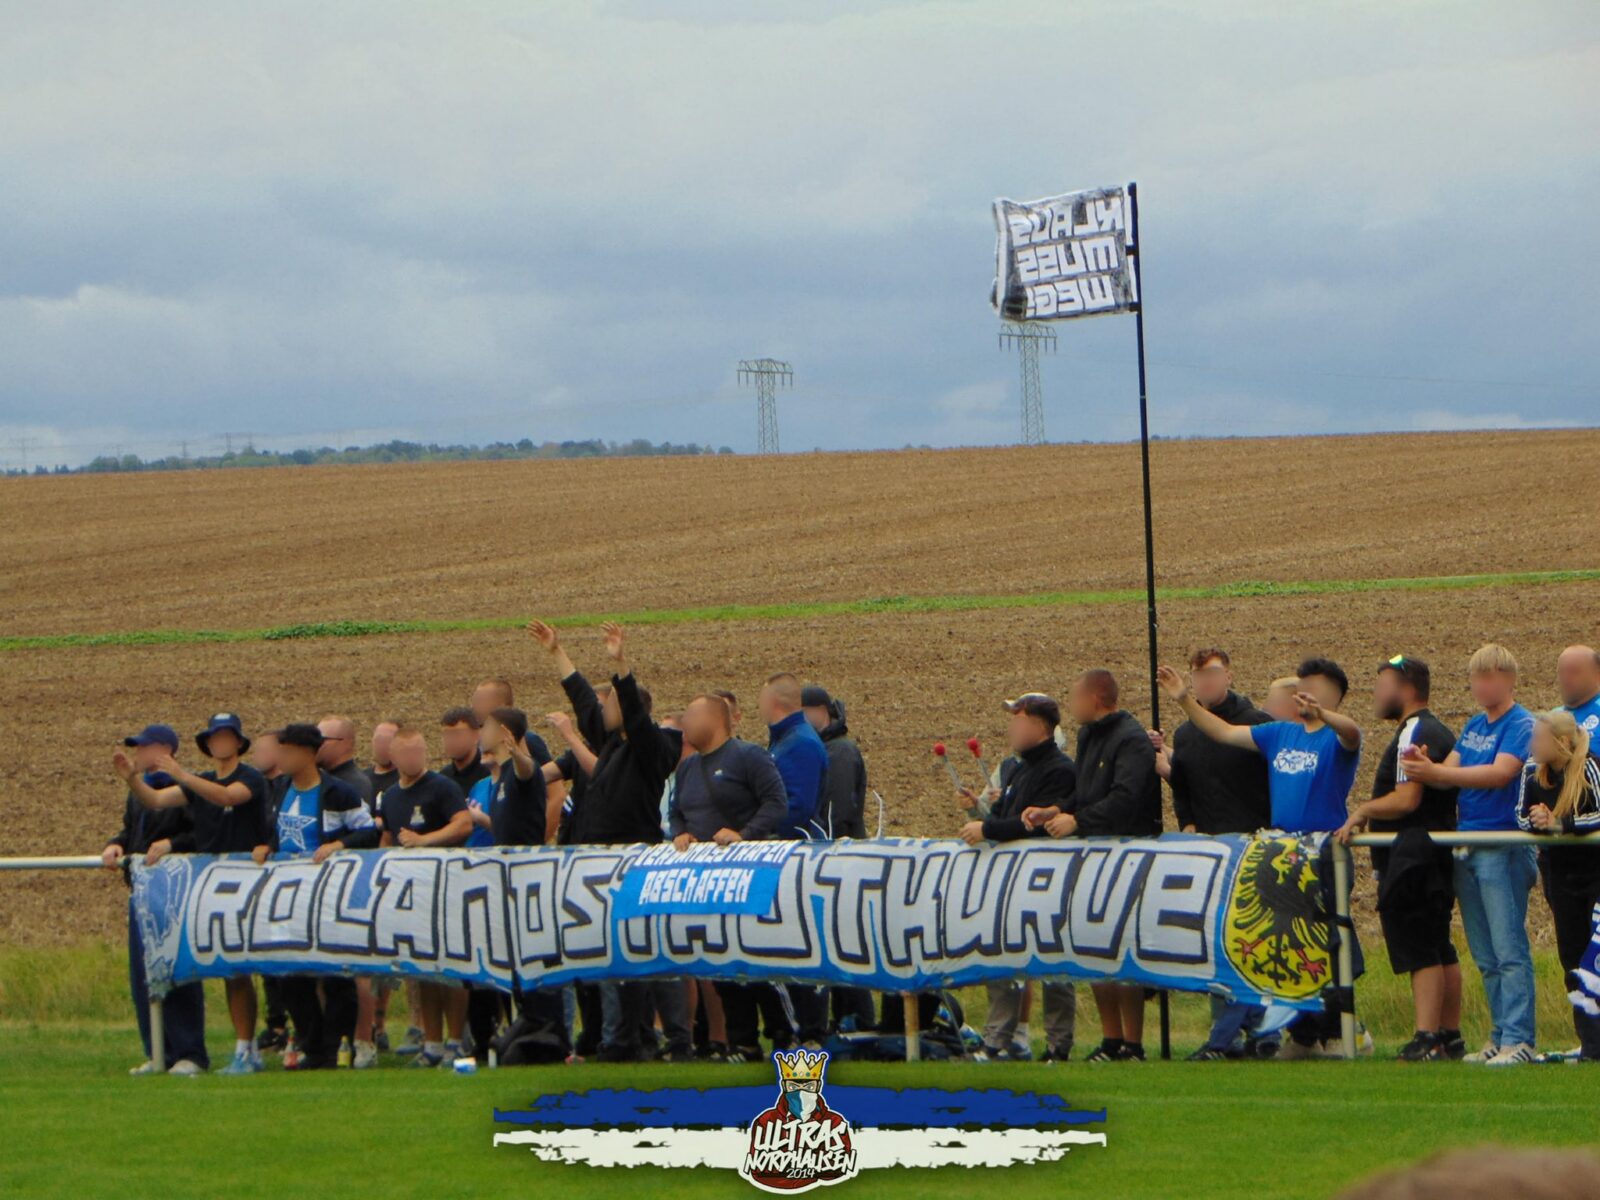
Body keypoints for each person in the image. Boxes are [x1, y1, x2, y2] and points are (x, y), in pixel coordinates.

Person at [1157, 656, 1365, 1058]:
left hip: (1322, 851)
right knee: (1285, 944)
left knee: (1330, 942)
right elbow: (1223, 732)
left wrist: (1325, 715)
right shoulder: (1279, 733)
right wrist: (1185, 700)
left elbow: (1353, 733)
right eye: (1303, 682)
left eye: (1316, 684)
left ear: (1334, 694)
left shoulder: (1334, 738)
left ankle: (1343, 1030)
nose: (1306, 689)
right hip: (1282, 852)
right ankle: (1305, 1037)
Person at [528, 619, 682, 1061]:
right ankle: (627, 1039)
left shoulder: (653, 747)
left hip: (632, 862)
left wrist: (622, 667)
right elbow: (583, 703)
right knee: (612, 959)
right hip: (602, 862)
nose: (604, 709)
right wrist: (557, 653)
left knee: (634, 959)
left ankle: (633, 1041)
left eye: (611, 701)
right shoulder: (614, 744)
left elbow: (632, 712)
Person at [1400, 644, 1537, 1066]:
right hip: (1468, 844)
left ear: (1509, 679)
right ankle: (1498, 1035)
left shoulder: (1522, 723)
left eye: (1491, 677)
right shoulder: (1476, 723)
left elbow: (1501, 773)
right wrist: (1427, 763)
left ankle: (1520, 1038)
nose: (1482, 685)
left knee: (1509, 948)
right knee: (1485, 953)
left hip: (1502, 845)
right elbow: (1454, 769)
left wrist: (1437, 771)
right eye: (1477, 677)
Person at [1023, 671, 1159, 1062]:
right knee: (1096, 950)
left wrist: (1079, 821)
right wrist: (1059, 809)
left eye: (1075, 696)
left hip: (1126, 855)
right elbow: (1084, 792)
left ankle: (1133, 1044)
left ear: (1096, 698)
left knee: (1124, 952)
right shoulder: (1087, 736)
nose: (1070, 705)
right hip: (1091, 858)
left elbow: (1127, 797)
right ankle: (1110, 1039)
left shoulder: (1131, 739)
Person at [1336, 657, 1463, 1061]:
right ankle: (1448, 1036)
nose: (1375, 694)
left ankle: (1426, 1037)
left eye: (1382, 685)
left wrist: (1362, 811)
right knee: (1439, 945)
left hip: (1415, 858)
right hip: (1428, 855)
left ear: (1406, 688)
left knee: (1422, 946)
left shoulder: (1418, 730)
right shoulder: (1428, 728)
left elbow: (1408, 799)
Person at [1150, 650, 1274, 1061]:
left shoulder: (1256, 724)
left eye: (1212, 674)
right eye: (1198, 676)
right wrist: (1186, 821)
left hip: (1251, 846)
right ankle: (1230, 1033)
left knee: (1249, 940)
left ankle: (1254, 1033)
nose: (1205, 683)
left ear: (1229, 676)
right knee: (1216, 944)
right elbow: (1183, 785)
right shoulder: (1186, 736)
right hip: (1209, 852)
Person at [135, 713, 272, 1075]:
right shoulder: (202, 781)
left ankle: (251, 1047)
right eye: (216, 737)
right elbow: (156, 800)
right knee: (229, 968)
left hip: (245, 880)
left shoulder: (250, 778)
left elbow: (228, 795)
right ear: (209, 745)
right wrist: (131, 777)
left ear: (238, 743)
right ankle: (244, 1047)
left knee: (240, 969)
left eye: (228, 736)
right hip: (211, 883)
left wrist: (181, 775)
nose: (222, 743)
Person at [955, 692, 1078, 1061]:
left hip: (1047, 882)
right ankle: (998, 1039)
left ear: (1038, 726)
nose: (1011, 726)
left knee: (1055, 961)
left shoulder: (1059, 770)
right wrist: (981, 812)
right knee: (1003, 957)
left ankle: (1058, 1045)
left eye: (1018, 719)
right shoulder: (1017, 768)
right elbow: (1010, 816)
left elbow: (1033, 828)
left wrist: (987, 828)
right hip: (1010, 884)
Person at [670, 692, 792, 1062]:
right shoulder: (688, 768)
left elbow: (777, 804)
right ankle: (743, 1041)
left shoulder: (747, 756)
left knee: (759, 961)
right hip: (707, 884)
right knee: (722, 964)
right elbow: (678, 812)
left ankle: (786, 1034)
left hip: (750, 878)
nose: (684, 725)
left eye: (691, 716)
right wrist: (680, 834)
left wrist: (744, 835)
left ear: (715, 719)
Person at [251, 723, 379, 1070]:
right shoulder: (279, 789)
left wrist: (339, 844)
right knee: (290, 975)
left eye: (288, 750)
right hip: (289, 898)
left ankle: (336, 1044)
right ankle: (311, 1043)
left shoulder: (338, 792)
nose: (281, 757)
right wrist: (266, 846)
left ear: (308, 753)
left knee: (336, 975)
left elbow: (368, 830)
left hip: (329, 897)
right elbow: (274, 831)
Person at [104, 724, 208, 1076]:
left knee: (177, 971)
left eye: (144, 747)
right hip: (143, 895)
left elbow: (200, 834)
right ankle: (157, 1051)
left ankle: (189, 1053)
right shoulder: (138, 791)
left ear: (165, 749)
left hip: (175, 894)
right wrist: (116, 844)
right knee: (143, 976)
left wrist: (172, 845)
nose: (138, 753)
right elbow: (130, 830)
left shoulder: (186, 786)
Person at [377, 726, 474, 1067]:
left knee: (452, 967)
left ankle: (455, 1040)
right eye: (406, 753)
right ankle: (431, 1043)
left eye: (419, 751)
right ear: (394, 756)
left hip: (447, 888)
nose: (414, 758)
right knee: (424, 969)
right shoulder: (390, 797)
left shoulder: (442, 787)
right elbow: (386, 838)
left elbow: (463, 825)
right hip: (412, 896)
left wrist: (425, 840)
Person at [1516, 709, 1600, 1062]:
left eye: (1538, 738)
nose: (1532, 745)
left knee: (1595, 959)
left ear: (1562, 742)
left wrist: (1562, 823)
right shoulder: (1532, 772)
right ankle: (1590, 1044)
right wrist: (1538, 822)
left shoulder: (1591, 767)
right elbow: (1520, 815)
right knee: (1572, 958)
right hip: (1559, 875)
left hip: (1595, 874)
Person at [761, 673, 832, 1044]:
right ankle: (792, 1028)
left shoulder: (799, 744)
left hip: (797, 856)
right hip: (785, 853)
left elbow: (797, 805)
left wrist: (756, 825)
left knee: (801, 941)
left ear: (774, 703)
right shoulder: (785, 741)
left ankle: (810, 1031)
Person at [249, 729, 295, 1056]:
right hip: (260, 882)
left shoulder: (288, 789)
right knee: (267, 959)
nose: (256, 756)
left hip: (288, 883)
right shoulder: (258, 788)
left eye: (263, 750)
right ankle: (275, 1023)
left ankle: (294, 1027)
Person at [802, 686, 868, 839]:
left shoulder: (840, 751)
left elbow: (839, 807)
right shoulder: (819, 748)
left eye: (803, 712)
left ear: (821, 710)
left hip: (839, 848)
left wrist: (831, 841)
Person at [316, 714, 374, 804]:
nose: (315, 745)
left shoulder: (356, 785)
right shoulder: (317, 779)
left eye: (321, 740)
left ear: (345, 743)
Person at [1556, 644, 1600, 751]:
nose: (1565, 679)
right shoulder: (1552, 717)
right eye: (1561, 672)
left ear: (1597, 676)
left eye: (1574, 672)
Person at [366, 719, 400, 797]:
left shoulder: (407, 782)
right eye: (379, 740)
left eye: (388, 741)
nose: (382, 745)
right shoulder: (361, 781)